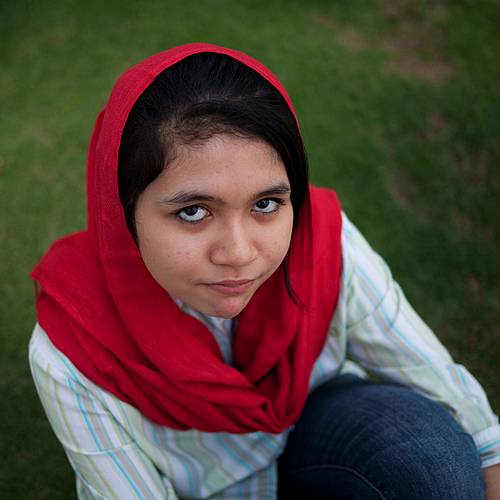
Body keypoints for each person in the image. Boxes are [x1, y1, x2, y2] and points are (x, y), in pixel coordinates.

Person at [29, 43, 499, 500]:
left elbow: (428, 372)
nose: (238, 254)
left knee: (434, 465)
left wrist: (491, 461)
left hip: (315, 430)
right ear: (121, 210)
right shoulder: (74, 345)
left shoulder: (322, 242)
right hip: (199, 486)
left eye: (267, 204)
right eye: (193, 211)